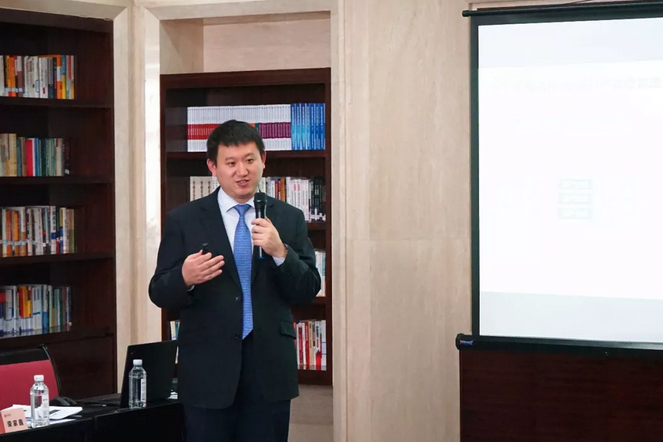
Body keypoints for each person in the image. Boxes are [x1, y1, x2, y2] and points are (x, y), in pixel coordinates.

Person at [148, 120, 321, 442]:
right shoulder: (184, 220)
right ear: (213, 167)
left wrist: (281, 252)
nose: (242, 171)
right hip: (207, 370)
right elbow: (158, 291)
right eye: (231, 163)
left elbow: (308, 289)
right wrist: (184, 278)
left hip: (269, 369)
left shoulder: (288, 218)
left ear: (263, 160)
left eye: (250, 160)